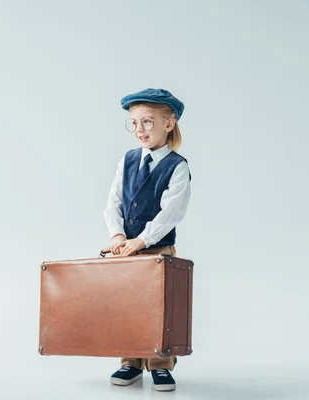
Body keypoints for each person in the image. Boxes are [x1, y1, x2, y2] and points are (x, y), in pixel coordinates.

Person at [103, 88, 192, 392]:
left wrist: (141, 240)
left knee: (158, 307)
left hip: (157, 248)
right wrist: (117, 233)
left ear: (169, 123)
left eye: (148, 122)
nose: (139, 130)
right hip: (125, 250)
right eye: (134, 123)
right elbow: (113, 201)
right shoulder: (127, 161)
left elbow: (172, 212)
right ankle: (130, 360)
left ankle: (160, 364)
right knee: (128, 307)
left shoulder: (176, 166)